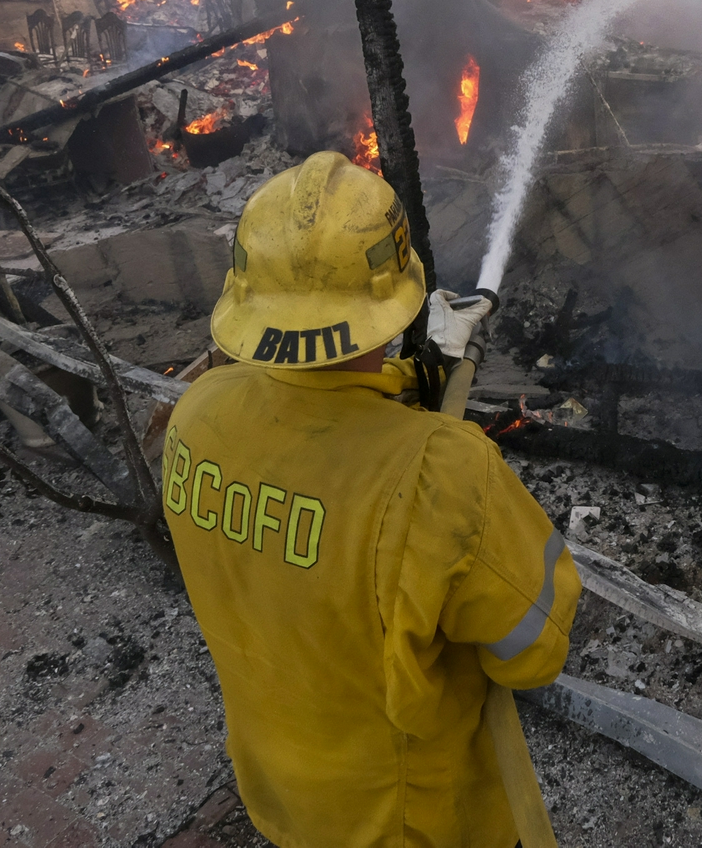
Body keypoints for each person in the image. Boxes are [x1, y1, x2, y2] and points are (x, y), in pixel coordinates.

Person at [162, 150, 578, 847]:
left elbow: (319, 442)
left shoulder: (197, 413)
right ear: (396, 286)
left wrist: (420, 378)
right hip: (407, 819)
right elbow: (533, 652)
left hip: (279, 791)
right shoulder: (442, 474)